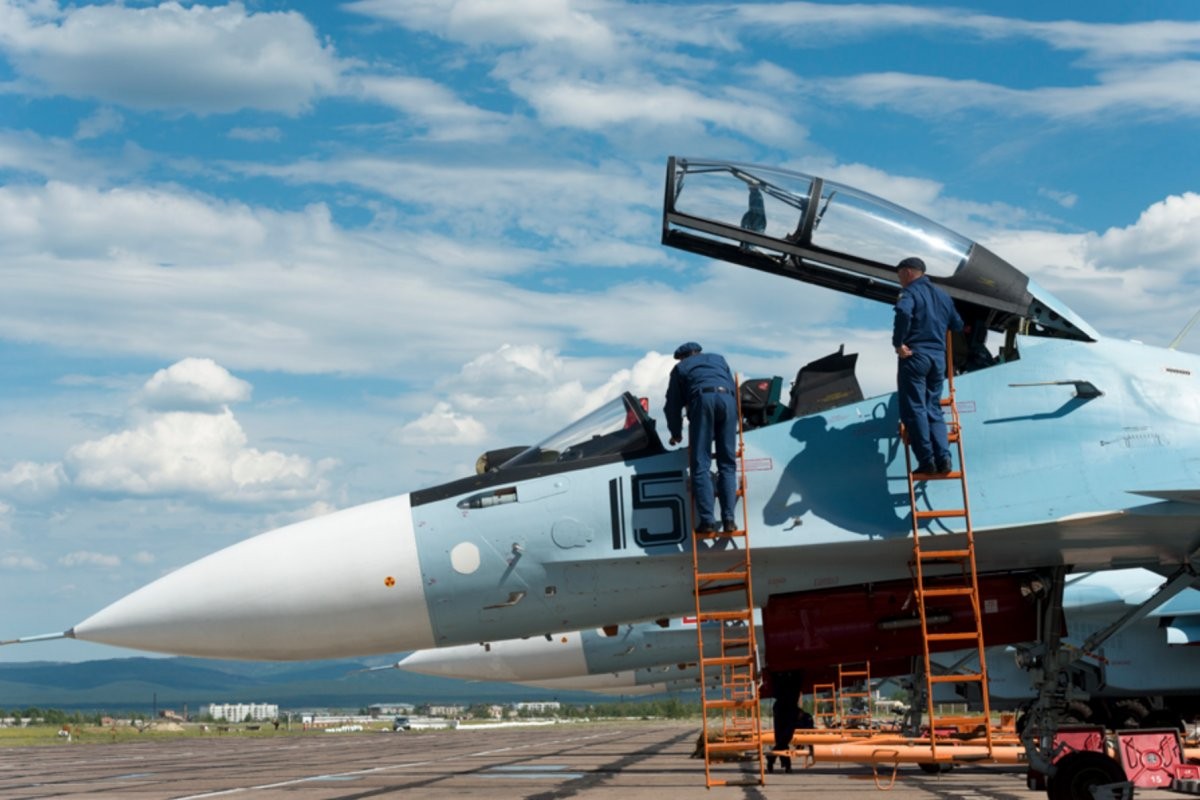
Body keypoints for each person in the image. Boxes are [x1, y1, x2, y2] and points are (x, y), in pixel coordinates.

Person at [892, 256, 964, 475]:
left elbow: (904, 312)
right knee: (933, 407)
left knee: (915, 408)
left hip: (915, 356)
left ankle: (927, 461)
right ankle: (944, 458)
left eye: (900, 275)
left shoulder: (911, 292)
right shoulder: (943, 296)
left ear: (907, 272)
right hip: (938, 360)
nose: (900, 280)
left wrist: (898, 343)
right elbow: (957, 324)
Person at [664, 342, 739, 533]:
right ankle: (729, 520)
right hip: (729, 402)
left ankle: (707, 521)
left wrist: (676, 433)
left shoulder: (681, 367)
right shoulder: (719, 359)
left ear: (682, 357)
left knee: (700, 465)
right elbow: (732, 385)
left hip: (703, 401)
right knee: (728, 464)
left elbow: (672, 405)